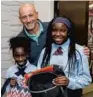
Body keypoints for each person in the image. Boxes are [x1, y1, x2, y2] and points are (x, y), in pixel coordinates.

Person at [17, 3, 90, 66]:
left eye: (31, 15)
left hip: (60, 76)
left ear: (37, 15)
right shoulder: (19, 41)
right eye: (24, 17)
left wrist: (81, 50)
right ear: (20, 19)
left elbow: (68, 42)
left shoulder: (52, 28)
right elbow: (21, 64)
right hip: (36, 79)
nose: (28, 20)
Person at [37, 17, 92, 97]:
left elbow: (86, 79)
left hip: (72, 94)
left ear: (68, 32)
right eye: (54, 30)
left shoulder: (79, 51)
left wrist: (69, 82)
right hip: (49, 93)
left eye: (63, 30)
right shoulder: (45, 51)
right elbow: (39, 73)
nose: (58, 34)